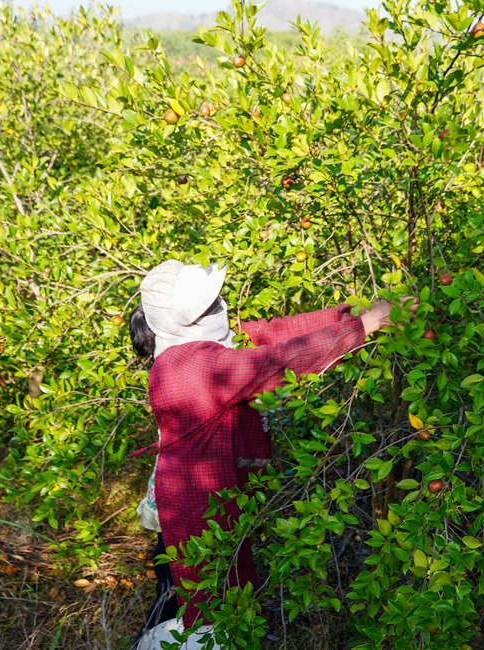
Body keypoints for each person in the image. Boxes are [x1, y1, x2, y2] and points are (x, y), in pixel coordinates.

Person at [128, 260, 415, 649]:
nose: (218, 309)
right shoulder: (186, 366)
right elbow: (272, 365)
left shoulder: (203, 347)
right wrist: (362, 328)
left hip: (215, 497)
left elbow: (276, 334)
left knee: (213, 596)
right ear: (179, 322)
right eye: (207, 307)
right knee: (204, 605)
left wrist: (353, 315)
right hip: (194, 510)